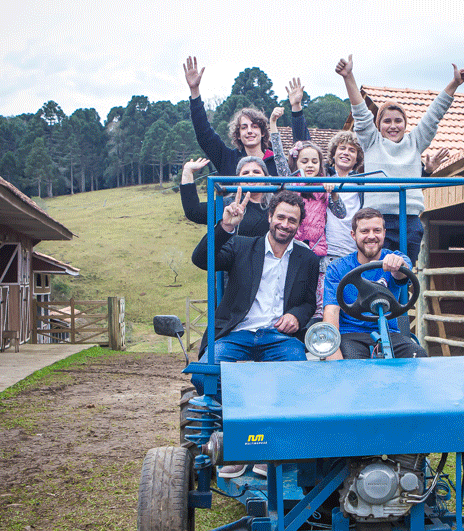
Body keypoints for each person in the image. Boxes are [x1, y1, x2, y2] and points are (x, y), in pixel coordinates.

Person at [335, 54, 464, 260]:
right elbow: (360, 112)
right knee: (377, 271)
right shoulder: (372, 142)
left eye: (398, 121)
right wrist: (348, 77)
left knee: (404, 273)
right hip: (378, 219)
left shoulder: (415, 142)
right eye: (387, 121)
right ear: (378, 125)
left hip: (410, 219)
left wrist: (454, 84)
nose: (393, 126)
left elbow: (434, 114)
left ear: (405, 124)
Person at [190, 189, 319, 393]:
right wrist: (225, 226)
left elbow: (308, 303)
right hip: (236, 333)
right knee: (202, 376)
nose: (285, 224)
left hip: (279, 338)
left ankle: (269, 418)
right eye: (281, 217)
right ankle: (242, 410)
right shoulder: (241, 246)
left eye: (292, 220)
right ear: (270, 216)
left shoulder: (308, 259)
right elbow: (200, 258)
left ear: (299, 225)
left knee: (299, 380)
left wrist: (295, 316)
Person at [322, 207, 427, 360]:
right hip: (351, 334)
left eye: (377, 230)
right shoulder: (338, 268)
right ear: (353, 235)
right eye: (364, 231)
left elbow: (402, 274)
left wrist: (398, 266)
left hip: (388, 333)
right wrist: (332, 350)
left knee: (417, 355)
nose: (371, 236)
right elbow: (331, 311)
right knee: (353, 364)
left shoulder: (394, 258)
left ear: (384, 233)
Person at [184, 56, 310, 176]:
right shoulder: (227, 159)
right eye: (244, 127)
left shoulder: (278, 161)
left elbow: (304, 147)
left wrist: (296, 107)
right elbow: (204, 135)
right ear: (238, 134)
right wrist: (194, 91)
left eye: (254, 126)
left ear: (262, 133)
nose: (249, 131)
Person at [180, 155, 271, 236]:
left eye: (256, 172)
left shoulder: (276, 204)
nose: (251, 175)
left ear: (266, 177)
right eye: (245, 173)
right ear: (238, 180)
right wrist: (187, 171)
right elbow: (194, 212)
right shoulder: (227, 205)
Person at [323, 131, 364, 264]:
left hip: (353, 251)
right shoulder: (323, 178)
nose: (346, 153)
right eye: (342, 148)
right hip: (327, 250)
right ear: (333, 154)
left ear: (357, 158)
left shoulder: (362, 183)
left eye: (352, 150)